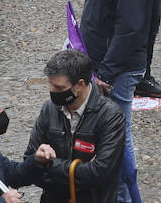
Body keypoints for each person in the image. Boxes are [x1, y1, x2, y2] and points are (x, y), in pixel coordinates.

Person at [80, 0, 158, 202]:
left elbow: (131, 27)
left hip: (116, 71)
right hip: (104, 62)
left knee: (117, 137)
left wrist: (106, 73)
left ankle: (128, 196)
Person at [23, 49, 126, 203]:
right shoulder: (49, 109)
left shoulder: (110, 116)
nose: (52, 92)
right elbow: (30, 163)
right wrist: (79, 171)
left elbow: (98, 174)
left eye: (59, 88)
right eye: (51, 85)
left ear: (80, 85)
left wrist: (49, 166)